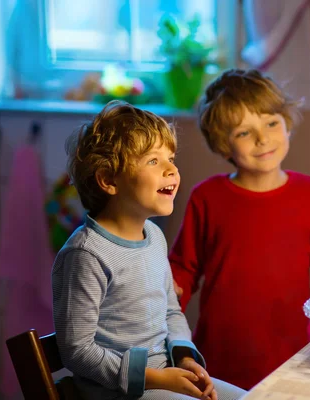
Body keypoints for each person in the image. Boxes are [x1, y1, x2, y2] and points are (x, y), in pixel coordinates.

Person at [170, 69, 310, 390]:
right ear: (223, 144)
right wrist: (162, 305)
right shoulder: (207, 197)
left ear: (287, 124)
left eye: (271, 123)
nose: (262, 138)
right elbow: (183, 269)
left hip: (292, 355)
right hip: (218, 358)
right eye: (244, 132)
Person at [52, 101, 246, 400]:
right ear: (108, 180)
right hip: (119, 392)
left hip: (166, 375)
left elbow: (170, 309)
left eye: (170, 157)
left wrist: (185, 359)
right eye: (153, 161)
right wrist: (156, 378)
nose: (172, 169)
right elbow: (78, 351)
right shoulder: (86, 254)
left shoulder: (154, 236)